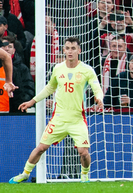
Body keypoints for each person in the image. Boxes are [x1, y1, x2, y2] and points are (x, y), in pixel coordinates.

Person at [9, 37, 103, 184]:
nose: (70, 51)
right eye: (67, 48)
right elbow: (50, 88)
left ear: (79, 50)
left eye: (73, 48)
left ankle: (84, 175)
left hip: (77, 118)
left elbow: (97, 87)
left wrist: (99, 98)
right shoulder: (58, 68)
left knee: (83, 152)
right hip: (58, 118)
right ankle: (25, 174)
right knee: (41, 148)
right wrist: (32, 101)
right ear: (63, 50)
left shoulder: (87, 70)